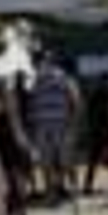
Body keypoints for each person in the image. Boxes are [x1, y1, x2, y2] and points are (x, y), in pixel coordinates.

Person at [27, 53, 80, 201]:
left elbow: (75, 98)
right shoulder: (36, 81)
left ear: (49, 62)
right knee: (46, 161)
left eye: (40, 61)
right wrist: (33, 123)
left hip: (60, 125)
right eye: (36, 62)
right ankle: (51, 192)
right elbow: (32, 102)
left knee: (65, 159)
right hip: (42, 126)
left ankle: (73, 189)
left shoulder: (62, 78)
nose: (37, 65)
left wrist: (72, 124)